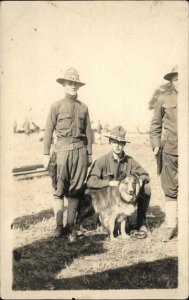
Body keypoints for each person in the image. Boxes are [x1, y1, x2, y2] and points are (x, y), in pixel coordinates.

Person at [43, 67, 92, 240]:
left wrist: (89, 155)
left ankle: (70, 226)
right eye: (70, 83)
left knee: (76, 190)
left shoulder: (83, 107)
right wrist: (45, 154)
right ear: (64, 85)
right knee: (59, 189)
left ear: (79, 86)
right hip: (61, 152)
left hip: (80, 152)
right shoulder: (56, 106)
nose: (73, 86)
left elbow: (89, 132)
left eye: (75, 84)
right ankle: (58, 226)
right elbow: (48, 130)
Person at [87, 125, 151, 233]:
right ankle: (99, 219)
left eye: (120, 143)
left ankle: (141, 222)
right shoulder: (102, 161)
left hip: (124, 201)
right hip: (107, 203)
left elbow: (145, 175)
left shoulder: (130, 161)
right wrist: (110, 182)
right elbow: (90, 182)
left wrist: (139, 182)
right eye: (114, 142)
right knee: (107, 229)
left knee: (147, 188)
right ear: (110, 142)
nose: (117, 145)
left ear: (124, 144)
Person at [149, 65, 178, 242]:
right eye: (176, 79)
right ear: (171, 81)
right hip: (170, 151)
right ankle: (171, 225)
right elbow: (155, 126)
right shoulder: (163, 99)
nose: (180, 82)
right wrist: (156, 145)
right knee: (170, 190)